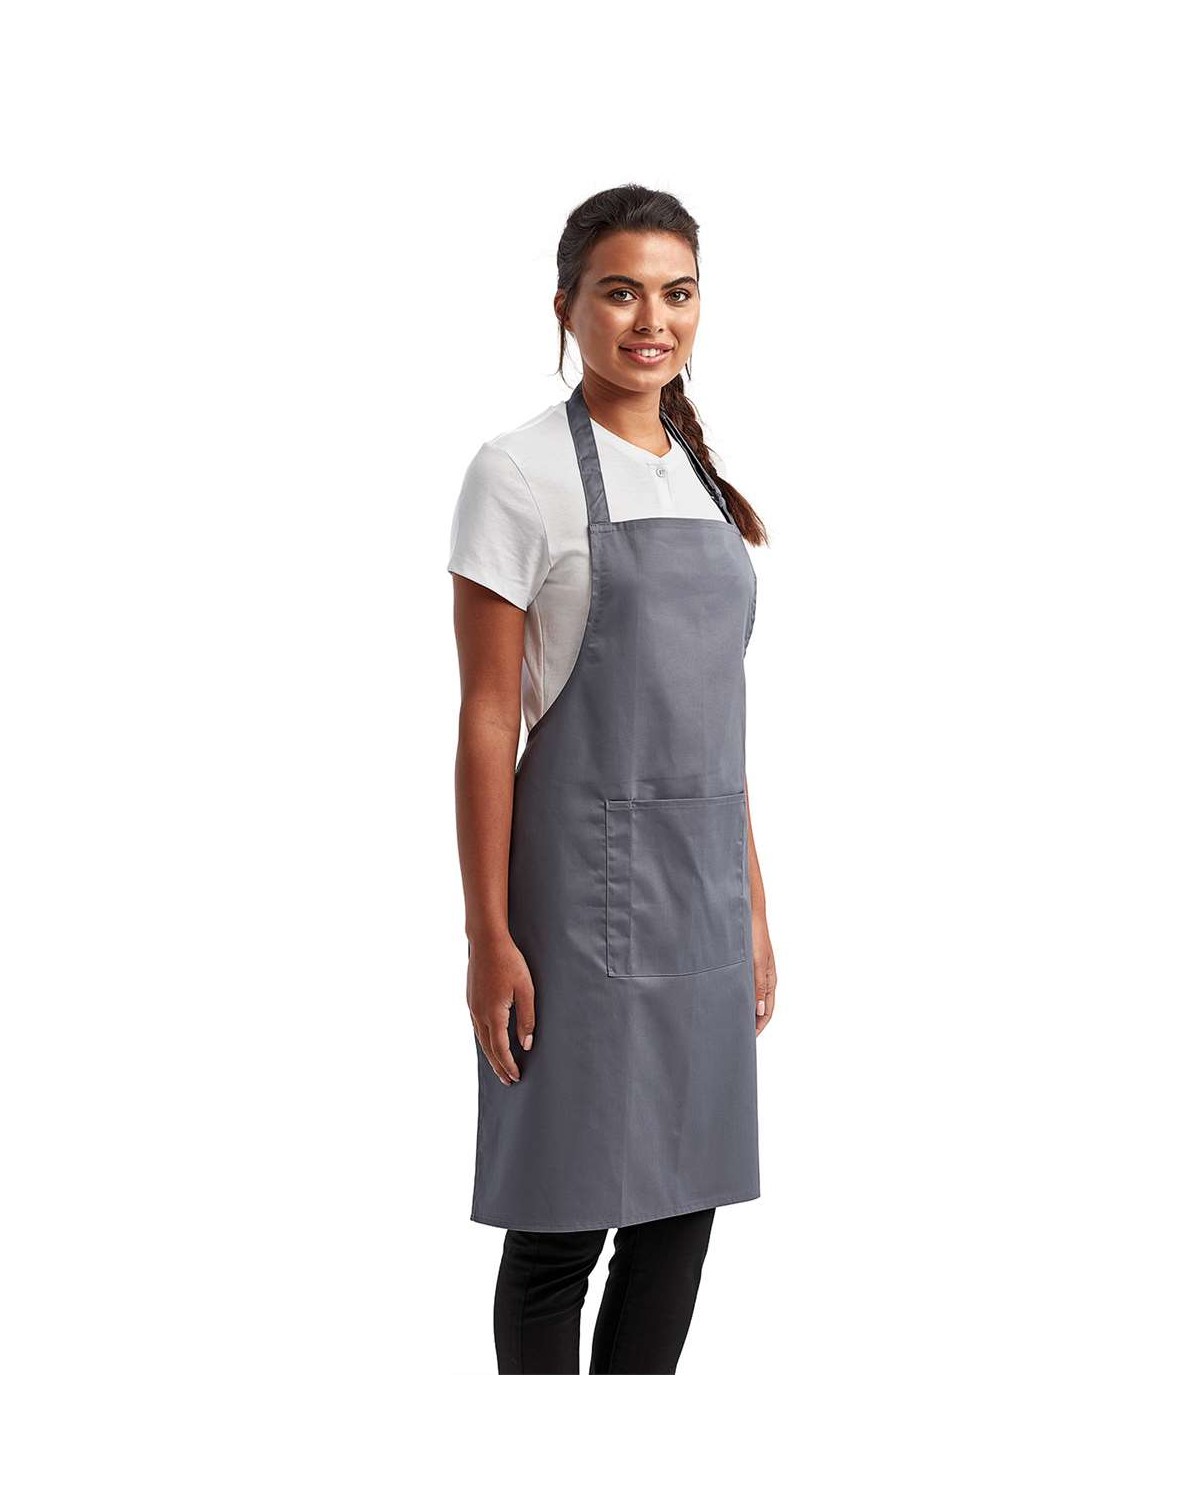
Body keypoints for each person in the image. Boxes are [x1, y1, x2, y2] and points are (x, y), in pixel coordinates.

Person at [447, 184, 777, 1375]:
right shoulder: (517, 473)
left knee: (681, 1212)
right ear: (566, 306)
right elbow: (489, 719)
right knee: (559, 1220)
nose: (653, 320)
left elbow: (717, 723)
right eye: (621, 292)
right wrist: (488, 936)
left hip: (702, 897)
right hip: (576, 898)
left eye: (677, 294)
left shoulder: (700, 476)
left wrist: (754, 909)